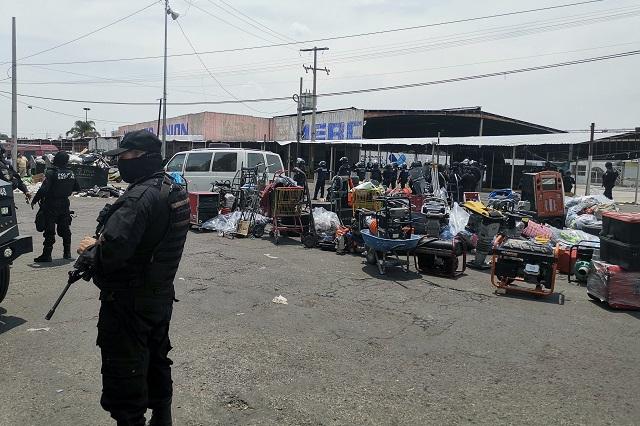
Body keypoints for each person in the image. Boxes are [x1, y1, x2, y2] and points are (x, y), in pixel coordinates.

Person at [76, 130, 190, 426]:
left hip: (129, 302)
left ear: (143, 157)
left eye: (124, 156)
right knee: (156, 359)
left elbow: (112, 254)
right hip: (159, 296)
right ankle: (162, 417)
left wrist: (91, 250)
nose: (120, 163)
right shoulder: (172, 187)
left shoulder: (139, 198)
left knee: (125, 373)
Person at [31, 152, 80, 262]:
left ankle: (47, 255)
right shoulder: (71, 173)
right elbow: (77, 188)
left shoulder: (51, 172)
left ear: (55, 160)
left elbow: (44, 189)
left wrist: (35, 200)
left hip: (51, 204)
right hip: (65, 203)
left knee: (49, 229)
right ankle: (67, 253)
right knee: (65, 228)